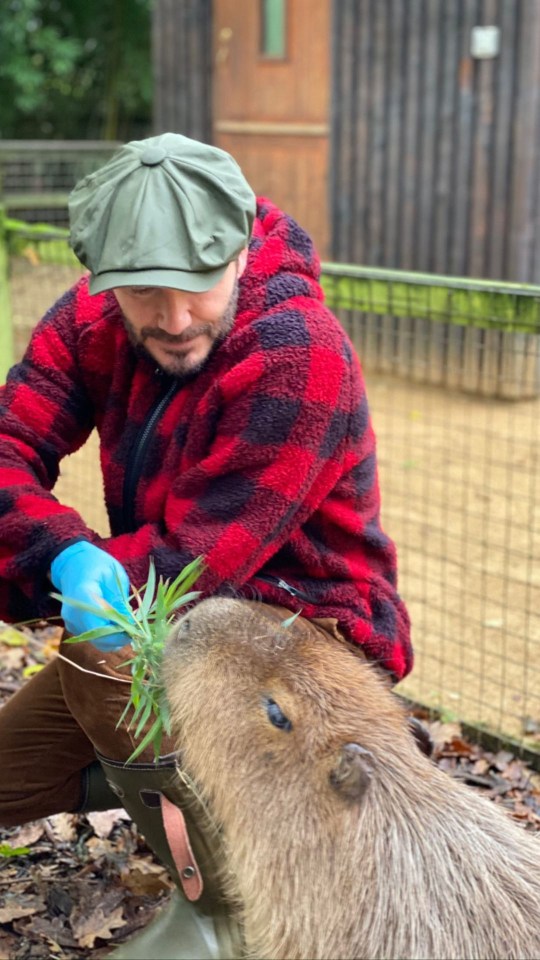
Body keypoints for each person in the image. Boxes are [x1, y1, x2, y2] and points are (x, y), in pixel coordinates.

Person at [0, 133, 412, 958]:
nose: (177, 317)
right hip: (165, 608)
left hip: (306, 623)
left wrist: (77, 573)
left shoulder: (297, 350)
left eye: (200, 284)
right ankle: (164, 788)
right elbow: (9, 445)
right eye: (145, 292)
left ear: (241, 249)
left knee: (97, 654)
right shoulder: (90, 319)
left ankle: (224, 911)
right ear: (104, 278)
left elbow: (192, 564)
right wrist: (59, 553)